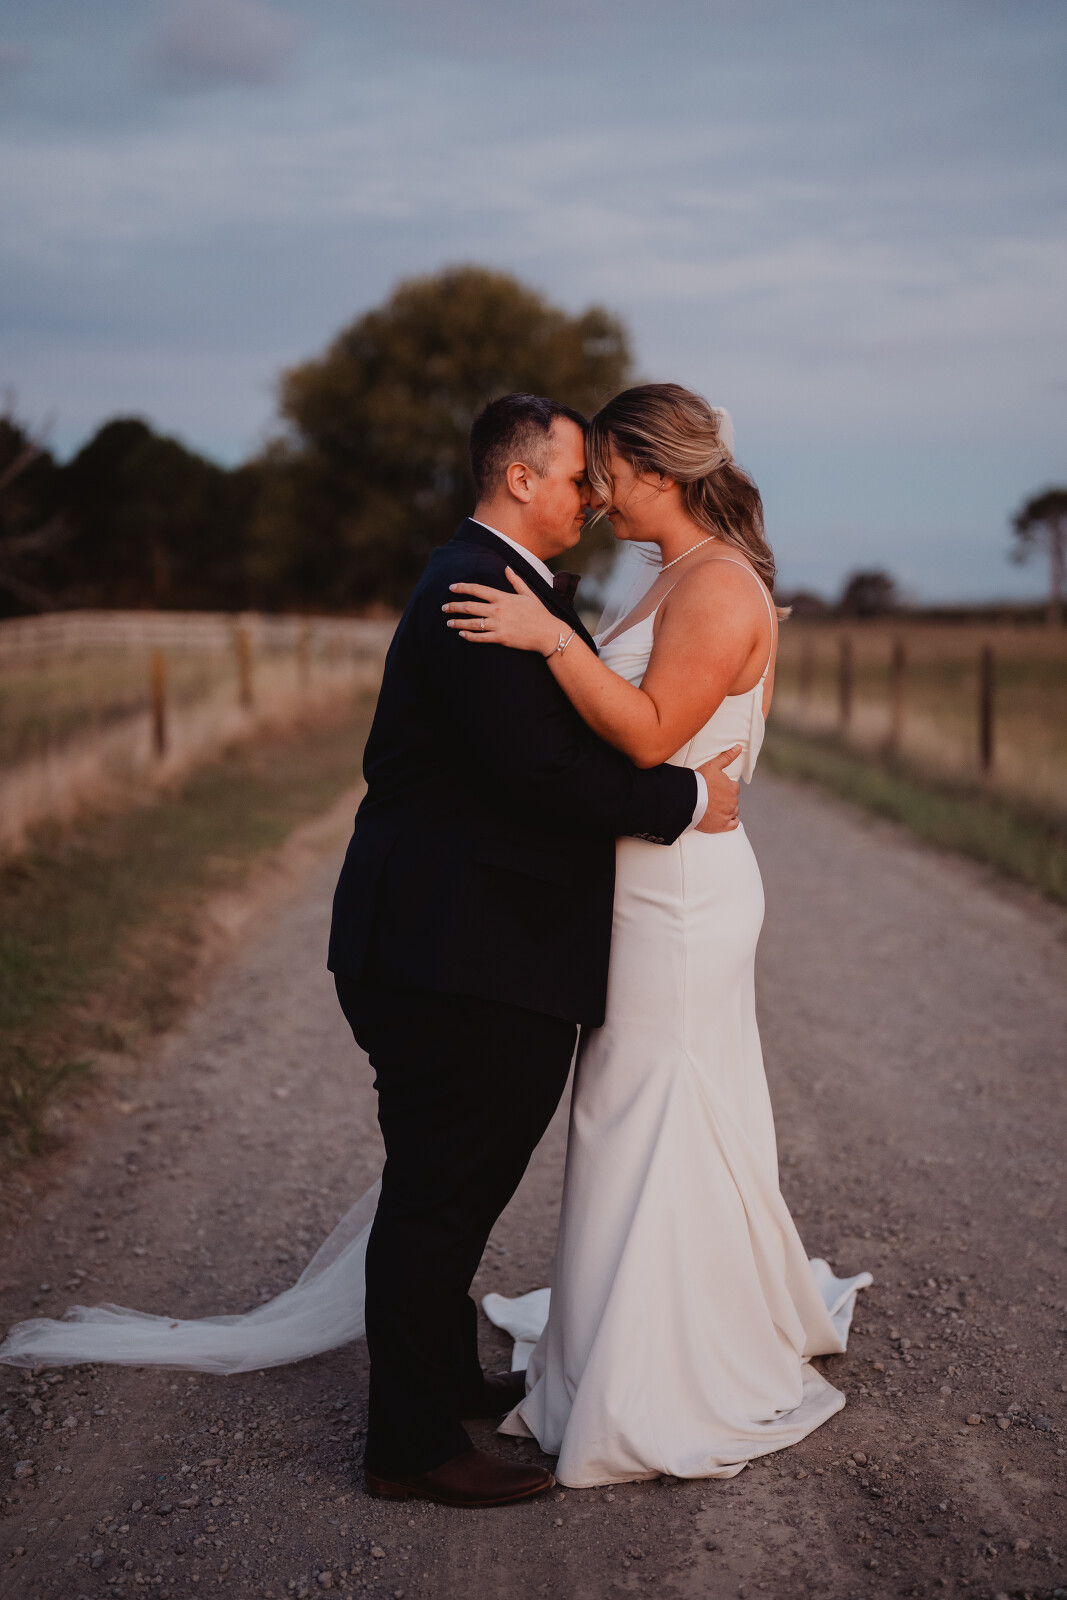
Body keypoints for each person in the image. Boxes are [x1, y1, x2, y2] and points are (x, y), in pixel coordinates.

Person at [443, 383, 871, 1487]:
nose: (593, 493)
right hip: (640, 878)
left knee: (646, 1099)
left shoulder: (719, 585)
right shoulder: (671, 575)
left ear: (657, 473)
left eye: (605, 474)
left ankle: (660, 1369)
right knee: (633, 1103)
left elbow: (645, 735)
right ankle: (620, 1334)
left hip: (679, 893)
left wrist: (550, 639)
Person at [325, 392, 744, 1506]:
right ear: (519, 479)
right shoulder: (476, 587)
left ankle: (439, 1378)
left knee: (450, 1183)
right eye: (572, 478)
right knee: (441, 1192)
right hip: (452, 952)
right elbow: (541, 770)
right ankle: (410, 1447)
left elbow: (544, 745)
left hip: (458, 941)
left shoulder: (501, 580)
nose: (588, 497)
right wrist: (684, 797)